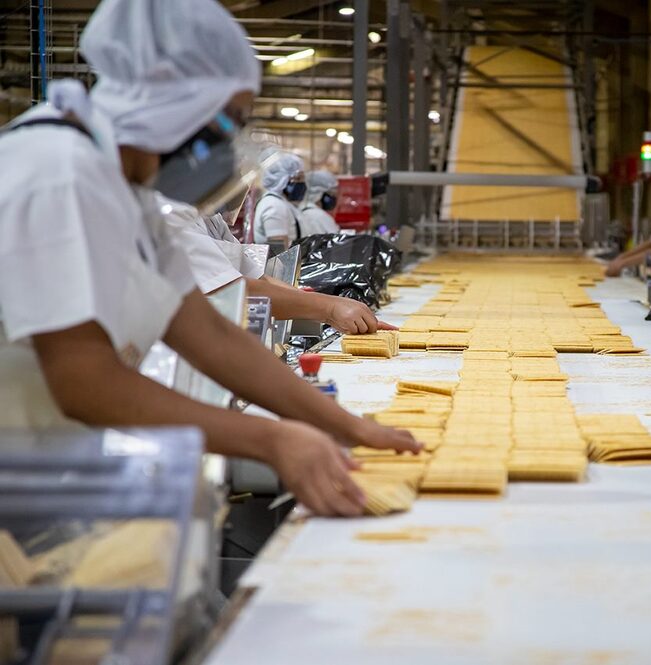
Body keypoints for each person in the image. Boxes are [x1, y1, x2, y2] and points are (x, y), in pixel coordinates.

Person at [0, 0, 418, 517]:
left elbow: (209, 333)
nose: (229, 145)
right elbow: (86, 382)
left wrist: (348, 425)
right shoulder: (58, 175)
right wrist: (272, 439)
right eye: (230, 121)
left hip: (47, 470)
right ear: (173, 96)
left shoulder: (127, 191)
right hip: (19, 472)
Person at [163, 195, 393, 333]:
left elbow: (259, 279)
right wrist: (327, 308)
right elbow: (230, 290)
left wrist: (330, 305)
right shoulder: (168, 216)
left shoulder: (208, 218)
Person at [253, 151, 305, 250]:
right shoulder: (274, 206)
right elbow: (279, 253)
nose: (302, 183)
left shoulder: (280, 203)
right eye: (298, 179)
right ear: (282, 179)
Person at [299, 170, 341, 237]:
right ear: (321, 194)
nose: (334, 197)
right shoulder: (318, 215)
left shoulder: (300, 209)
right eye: (331, 194)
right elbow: (337, 242)